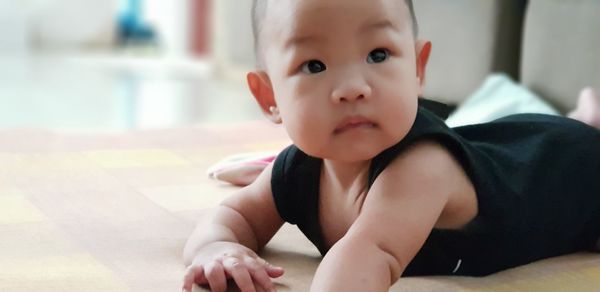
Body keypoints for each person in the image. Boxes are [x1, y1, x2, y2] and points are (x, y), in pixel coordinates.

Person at [182, 0, 600, 291]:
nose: (352, 88)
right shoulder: (296, 168)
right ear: (269, 96)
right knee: (507, 134)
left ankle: (584, 123)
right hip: (504, 149)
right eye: (314, 65)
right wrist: (218, 247)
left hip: (573, 174)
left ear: (417, 69)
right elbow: (236, 214)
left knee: (567, 143)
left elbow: (367, 256)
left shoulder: (421, 167)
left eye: (378, 55)